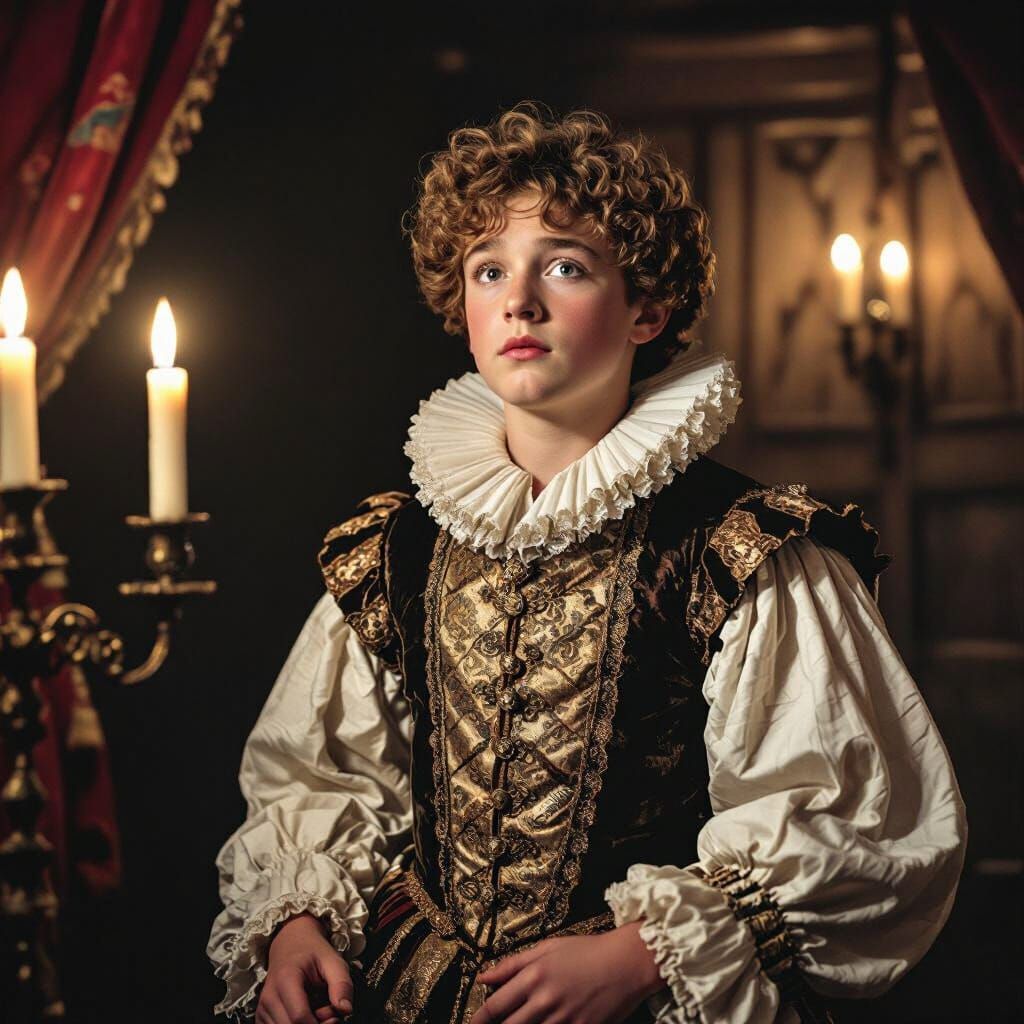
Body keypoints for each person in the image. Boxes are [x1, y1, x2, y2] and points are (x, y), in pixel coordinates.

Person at [207, 101, 967, 1024]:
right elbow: (316, 776)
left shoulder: (741, 548)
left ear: (646, 306)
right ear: (465, 309)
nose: (519, 300)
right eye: (490, 271)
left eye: (564, 266)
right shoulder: (397, 547)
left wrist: (641, 954)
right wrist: (294, 926)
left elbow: (862, 821)